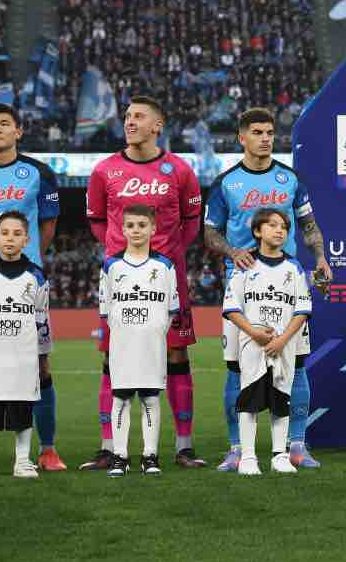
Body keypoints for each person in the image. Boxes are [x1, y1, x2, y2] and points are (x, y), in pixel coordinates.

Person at [80, 95, 205, 471]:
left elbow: (192, 219)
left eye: (139, 116)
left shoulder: (179, 170)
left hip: (166, 277)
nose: (130, 122)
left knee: (177, 355)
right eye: (127, 116)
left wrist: (166, 257)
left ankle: (183, 447)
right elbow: (98, 221)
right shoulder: (105, 171)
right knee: (111, 356)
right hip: (120, 279)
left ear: (158, 126)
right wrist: (122, 256)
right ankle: (109, 448)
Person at [204, 107, 332, 471]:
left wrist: (320, 256)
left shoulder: (289, 179)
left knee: (297, 365)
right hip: (242, 283)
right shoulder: (227, 182)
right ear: (242, 138)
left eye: (270, 132)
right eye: (257, 132)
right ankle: (236, 448)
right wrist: (232, 251)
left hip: (285, 281)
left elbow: (308, 225)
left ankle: (295, 445)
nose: (265, 138)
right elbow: (209, 231)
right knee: (236, 368)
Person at [0, 103, 65, 471]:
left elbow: (49, 223)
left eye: (4, 124)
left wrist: (33, 261)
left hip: (28, 282)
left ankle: (46, 449)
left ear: (18, 131)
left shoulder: (38, 173)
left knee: (39, 365)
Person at [221, 208, 311, 476]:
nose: (279, 230)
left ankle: (279, 454)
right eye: (272, 225)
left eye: (284, 226)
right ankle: (248, 457)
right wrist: (254, 333)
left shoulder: (293, 267)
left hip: (284, 343)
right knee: (249, 398)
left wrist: (283, 340)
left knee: (281, 397)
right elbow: (231, 307)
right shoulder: (245, 265)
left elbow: (302, 309)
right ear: (258, 231)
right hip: (252, 342)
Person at [97, 205, 179, 478]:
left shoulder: (165, 266)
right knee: (120, 399)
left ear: (153, 229)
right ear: (122, 229)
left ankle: (149, 456)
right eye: (131, 225)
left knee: (150, 399)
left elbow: (170, 309)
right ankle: (120, 457)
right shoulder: (111, 265)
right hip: (122, 345)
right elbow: (106, 309)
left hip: (152, 346)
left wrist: (152, 330)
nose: (136, 230)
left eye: (142, 225)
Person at [0, 211, 52, 479]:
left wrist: (44, 355)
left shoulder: (36, 276)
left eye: (17, 234)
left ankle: (23, 461)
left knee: (23, 408)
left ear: (27, 240)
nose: (10, 238)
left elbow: (42, 318)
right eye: (5, 233)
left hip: (23, 357)